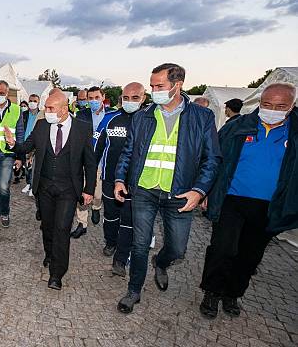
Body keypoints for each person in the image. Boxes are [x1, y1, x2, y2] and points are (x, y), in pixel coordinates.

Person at [114, 63, 221, 313]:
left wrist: (200, 190)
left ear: (178, 85)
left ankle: (161, 262)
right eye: (152, 86)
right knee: (139, 244)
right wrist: (120, 179)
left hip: (180, 194)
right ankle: (134, 290)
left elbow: (212, 159)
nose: (153, 91)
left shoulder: (201, 117)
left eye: (159, 86)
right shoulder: (143, 116)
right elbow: (128, 152)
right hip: (143, 191)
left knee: (177, 248)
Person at [199, 83, 297, 319]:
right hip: (231, 199)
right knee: (223, 249)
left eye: (280, 106)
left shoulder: (294, 133)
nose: (272, 110)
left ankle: (232, 294)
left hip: (270, 205)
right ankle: (211, 292)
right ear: (259, 103)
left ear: (291, 106)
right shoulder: (238, 127)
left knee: (249, 255)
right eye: (267, 104)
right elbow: (214, 159)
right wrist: (205, 191)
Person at [4, 89, 96, 290]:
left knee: (62, 228)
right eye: (46, 107)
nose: (46, 111)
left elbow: (90, 162)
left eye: (50, 108)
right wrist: (13, 144)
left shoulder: (82, 128)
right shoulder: (42, 126)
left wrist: (89, 189)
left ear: (64, 109)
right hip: (44, 187)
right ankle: (49, 253)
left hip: (69, 189)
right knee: (47, 226)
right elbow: (27, 147)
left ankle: (57, 273)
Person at [93, 82, 145, 275]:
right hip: (109, 178)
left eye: (135, 98)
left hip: (137, 183)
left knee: (129, 221)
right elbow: (96, 147)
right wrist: (91, 176)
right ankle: (110, 242)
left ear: (143, 98)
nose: (129, 102)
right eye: (125, 98)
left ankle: (121, 260)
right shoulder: (109, 118)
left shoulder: (147, 120)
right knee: (111, 217)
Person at [72, 87, 117, 236]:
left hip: (102, 162)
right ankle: (81, 224)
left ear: (103, 97)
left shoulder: (112, 114)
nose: (93, 101)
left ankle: (97, 207)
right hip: (85, 160)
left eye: (96, 97)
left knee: (97, 194)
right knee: (83, 191)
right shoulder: (81, 114)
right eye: (89, 98)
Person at [0, 80, 24, 227]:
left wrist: (20, 157)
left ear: (7, 93)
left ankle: (5, 213)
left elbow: (20, 134)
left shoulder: (16, 110)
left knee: (3, 186)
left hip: (8, 154)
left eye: (2, 93)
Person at [21, 94, 41, 196]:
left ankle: (33, 186)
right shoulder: (23, 114)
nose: (32, 103)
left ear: (38, 102)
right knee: (26, 166)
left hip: (36, 144)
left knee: (34, 166)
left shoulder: (41, 115)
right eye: (31, 100)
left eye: (35, 101)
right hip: (25, 143)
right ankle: (28, 183)